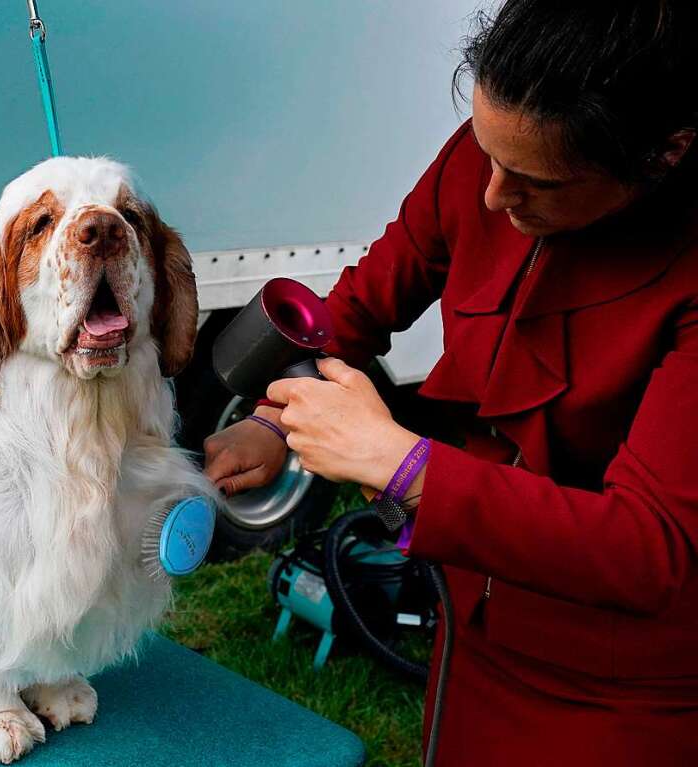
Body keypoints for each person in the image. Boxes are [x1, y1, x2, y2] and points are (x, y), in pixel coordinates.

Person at [203, 2, 698, 765]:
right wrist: (273, 420)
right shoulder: (487, 162)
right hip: (473, 619)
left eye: (535, 181)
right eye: (485, 150)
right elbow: (364, 301)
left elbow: (648, 547)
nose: (493, 196)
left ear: (664, 155)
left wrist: (405, 467)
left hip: (625, 683)